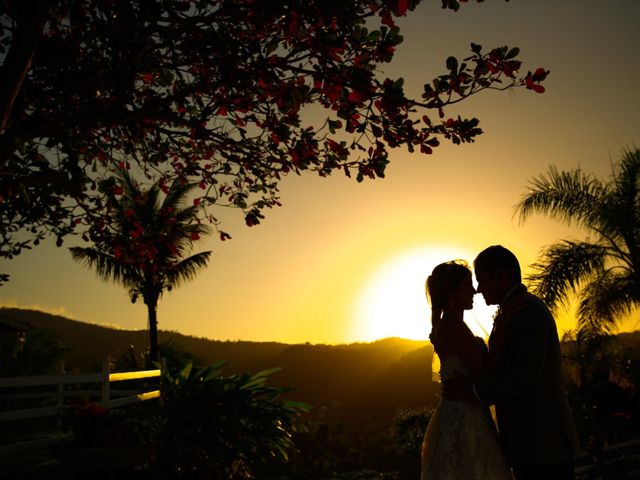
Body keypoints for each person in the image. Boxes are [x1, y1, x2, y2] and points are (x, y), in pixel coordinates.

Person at [473, 245, 580, 480]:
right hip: (535, 442)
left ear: (501, 276)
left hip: (541, 440)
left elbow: (524, 374)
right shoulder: (515, 309)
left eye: (482, 280)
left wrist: (476, 394)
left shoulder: (526, 311)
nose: (478, 289)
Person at [421, 260, 512, 480]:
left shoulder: (450, 326)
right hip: (464, 416)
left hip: (460, 410)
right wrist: (502, 331)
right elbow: (484, 372)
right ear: (452, 292)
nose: (474, 291)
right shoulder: (454, 328)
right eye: (467, 285)